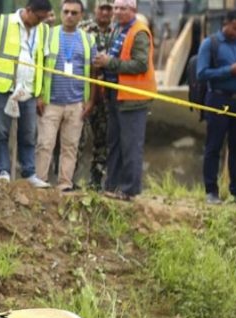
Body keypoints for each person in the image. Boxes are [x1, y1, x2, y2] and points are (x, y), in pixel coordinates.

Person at [0, 0, 53, 186]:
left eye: (43, 19)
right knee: (1, 131)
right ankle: (3, 171)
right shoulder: (4, 23)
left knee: (28, 133)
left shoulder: (43, 30)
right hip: (4, 87)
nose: (40, 22)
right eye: (38, 17)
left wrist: (40, 94)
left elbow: (42, 61)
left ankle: (29, 173)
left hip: (29, 90)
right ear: (28, 10)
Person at [92, 0, 154, 200]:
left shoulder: (139, 32)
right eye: (116, 8)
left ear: (133, 10)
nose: (117, 12)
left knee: (131, 146)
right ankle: (112, 186)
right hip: (116, 96)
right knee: (115, 144)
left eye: (122, 8)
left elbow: (140, 65)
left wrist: (110, 62)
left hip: (133, 99)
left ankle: (129, 191)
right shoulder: (117, 29)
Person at [197, 9, 236, 206]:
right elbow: (202, 73)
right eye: (235, 28)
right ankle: (211, 191)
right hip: (218, 98)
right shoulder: (211, 44)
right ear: (226, 24)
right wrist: (229, 71)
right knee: (214, 146)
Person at [34, 0, 95, 191]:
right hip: (51, 101)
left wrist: (91, 100)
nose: (69, 16)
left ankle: (64, 183)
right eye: (66, 12)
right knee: (45, 144)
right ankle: (40, 182)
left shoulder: (87, 40)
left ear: (81, 16)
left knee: (70, 146)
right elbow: (38, 66)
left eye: (74, 13)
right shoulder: (48, 35)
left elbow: (93, 72)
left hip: (76, 103)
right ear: (60, 13)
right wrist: (39, 95)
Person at [75, 0, 111, 191]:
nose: (105, 12)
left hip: (107, 96)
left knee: (102, 139)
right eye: (102, 8)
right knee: (78, 137)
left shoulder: (118, 32)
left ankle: (95, 181)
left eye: (109, 9)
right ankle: (70, 178)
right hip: (83, 91)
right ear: (95, 9)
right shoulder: (83, 29)